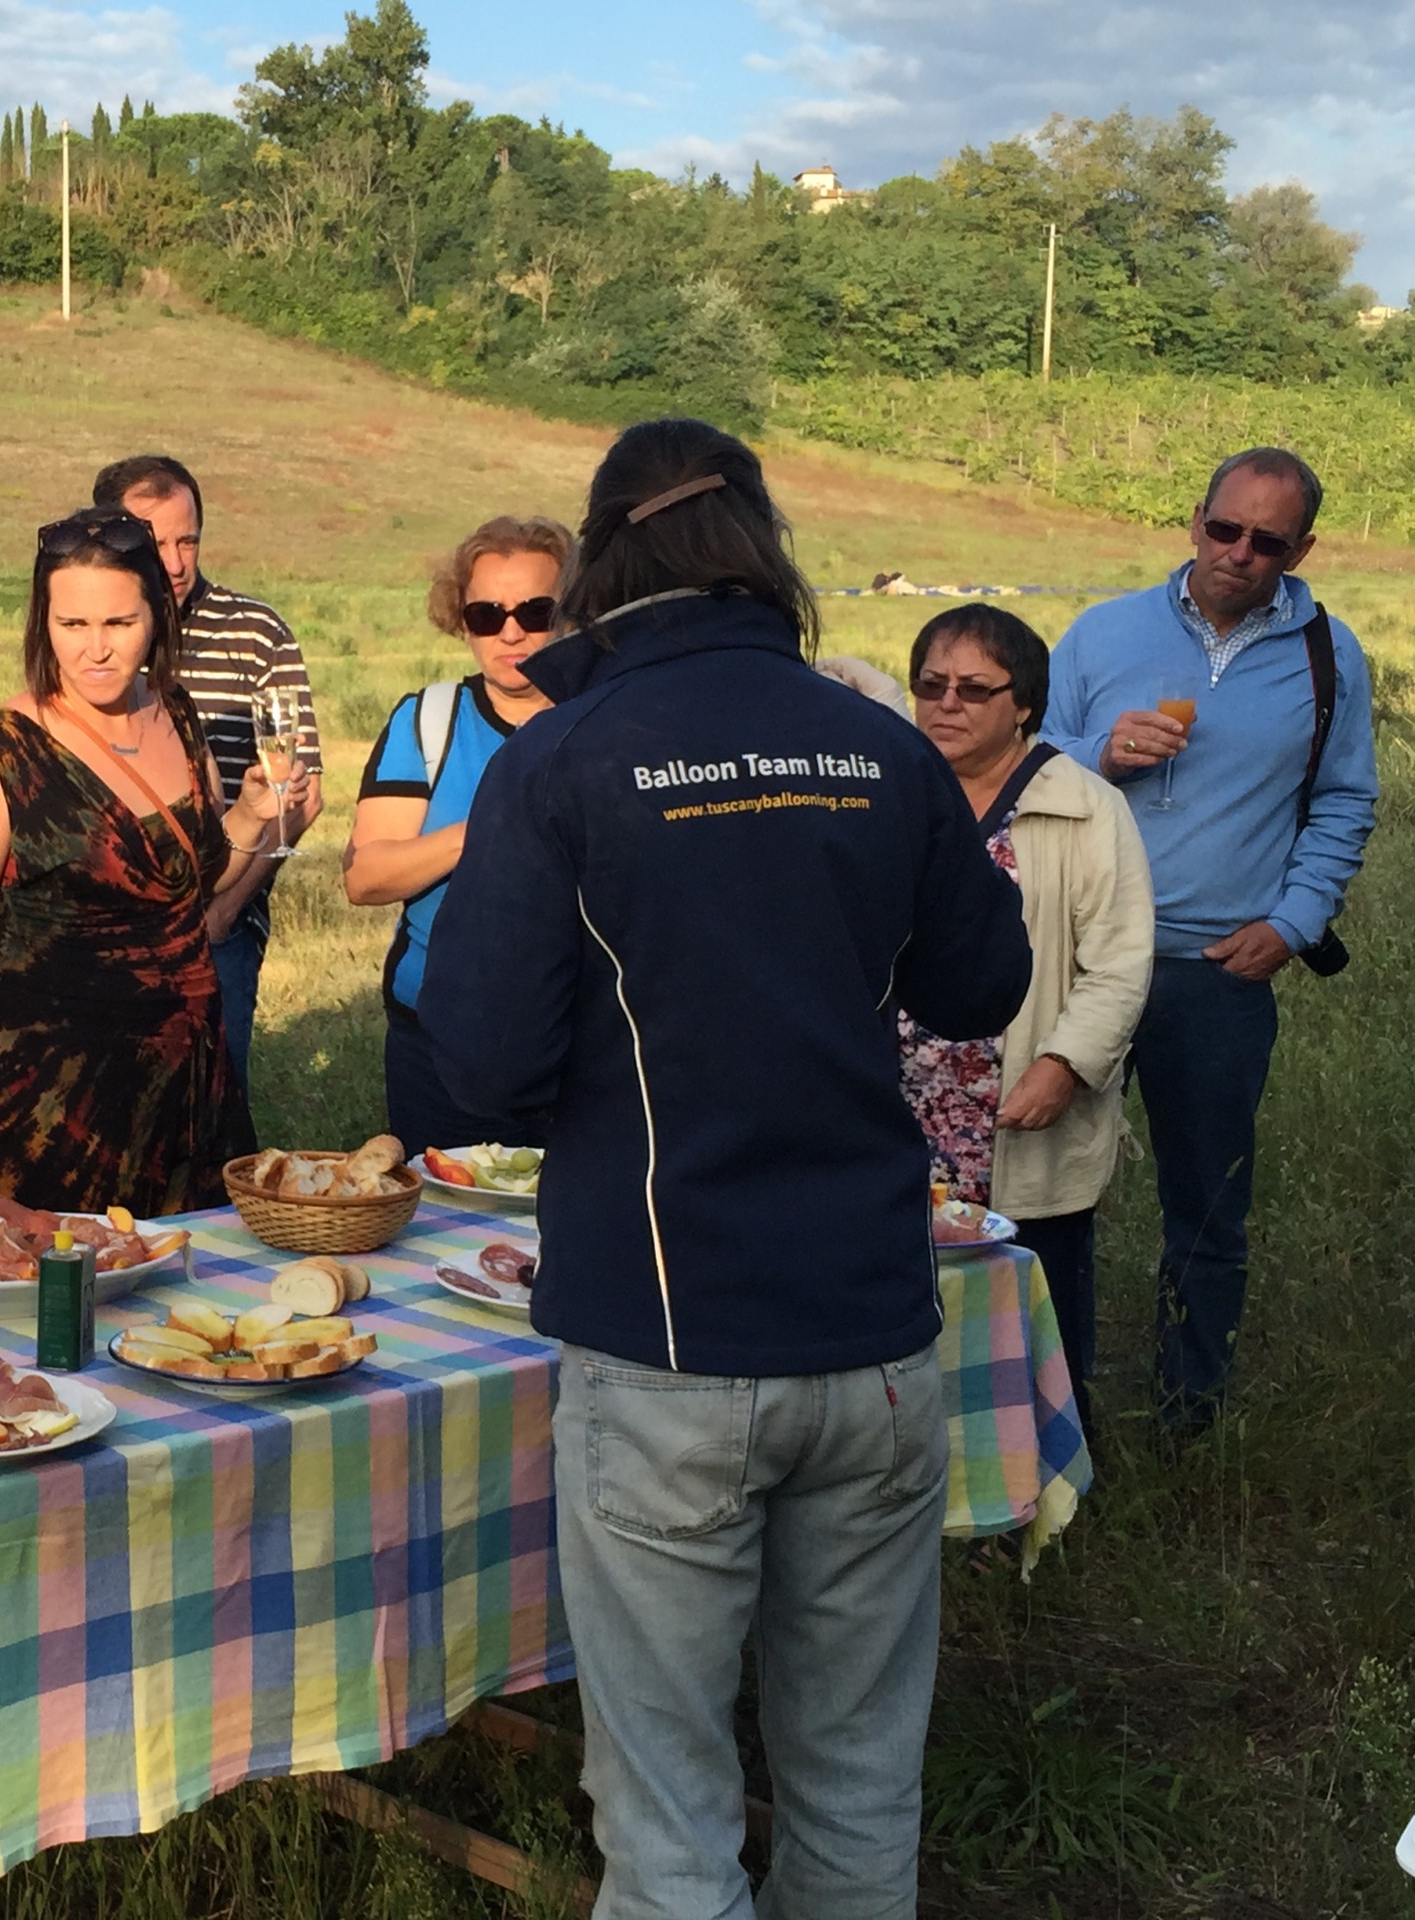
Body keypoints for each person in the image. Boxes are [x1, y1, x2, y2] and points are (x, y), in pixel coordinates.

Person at [420, 420, 1032, 1918]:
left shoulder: (562, 752)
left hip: (669, 1346)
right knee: (857, 1782)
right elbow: (982, 982)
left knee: (672, 1813)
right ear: (765, 551)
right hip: (873, 1333)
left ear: (604, 565)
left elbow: (481, 1072)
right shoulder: (880, 743)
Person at [1041, 447, 1378, 1433]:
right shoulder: (1104, 633)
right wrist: (1097, 752)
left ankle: (1193, 1418)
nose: (1238, 554)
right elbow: (1026, 753)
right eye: (1223, 529)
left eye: (1266, 541)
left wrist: (1292, 921)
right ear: (1194, 521)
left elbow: (1343, 801)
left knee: (1207, 1209)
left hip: (1215, 974)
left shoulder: (1327, 654)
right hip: (1077, 961)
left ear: (1300, 548)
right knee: (1050, 1201)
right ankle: (1056, 1416)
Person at [0, 507, 286, 1219]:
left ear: (158, 616)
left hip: (190, 1100)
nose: (96, 650)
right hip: (54, 1108)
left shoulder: (175, 712)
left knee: (190, 1313)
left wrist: (247, 819)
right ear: (42, 623)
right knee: (51, 1314)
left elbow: (187, 891)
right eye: (72, 625)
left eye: (119, 623)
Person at [899, 604, 1153, 1443]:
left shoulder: (1084, 806)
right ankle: (914, 1471)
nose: (947, 704)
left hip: (1017, 1109)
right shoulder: (887, 794)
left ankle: (1044, 1478)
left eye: (975, 689)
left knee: (1033, 1303)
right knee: (903, 1305)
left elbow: (1118, 962)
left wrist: (1066, 1065)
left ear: (1026, 705)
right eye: (931, 685)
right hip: (894, 1110)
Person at [94, 455, 320, 1129]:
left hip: (218, 933)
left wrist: (226, 910)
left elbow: (300, 796)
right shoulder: (89, 641)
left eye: (186, 540)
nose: (175, 560)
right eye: (154, 543)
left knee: (211, 1129)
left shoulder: (256, 634)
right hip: (109, 933)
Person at [344, 514, 570, 1151]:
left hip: (584, 1049)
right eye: (485, 615)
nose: (511, 631)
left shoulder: (611, 719)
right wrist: (489, 828)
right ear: (459, 619)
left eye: (536, 610)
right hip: (438, 1048)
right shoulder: (429, 721)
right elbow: (365, 877)